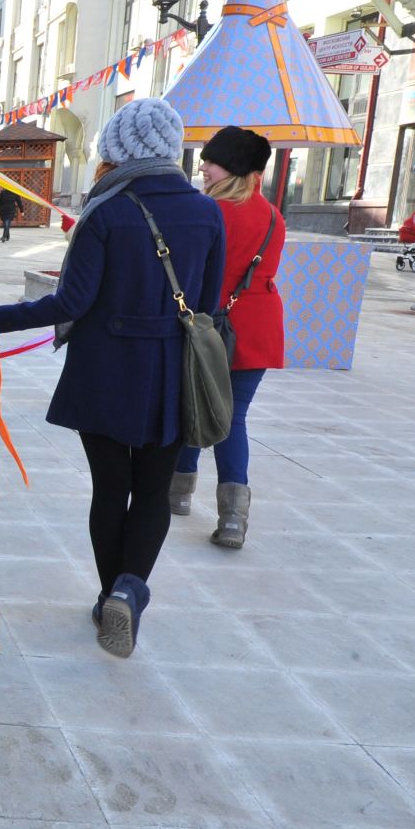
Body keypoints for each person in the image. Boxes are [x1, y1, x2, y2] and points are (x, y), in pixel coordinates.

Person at [0, 98, 223, 659]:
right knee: (153, 490)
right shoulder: (207, 213)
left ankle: (108, 597)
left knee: (110, 487)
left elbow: (69, 301)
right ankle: (130, 590)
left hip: (106, 370)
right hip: (175, 372)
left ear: (117, 149)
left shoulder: (107, 211)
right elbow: (208, 305)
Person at [168, 127, 284, 549]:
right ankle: (233, 518)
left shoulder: (205, 211)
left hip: (208, 326)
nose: (203, 167)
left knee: (191, 405)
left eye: (210, 161)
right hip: (258, 329)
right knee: (233, 419)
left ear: (231, 167)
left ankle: (178, 494)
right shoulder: (274, 215)